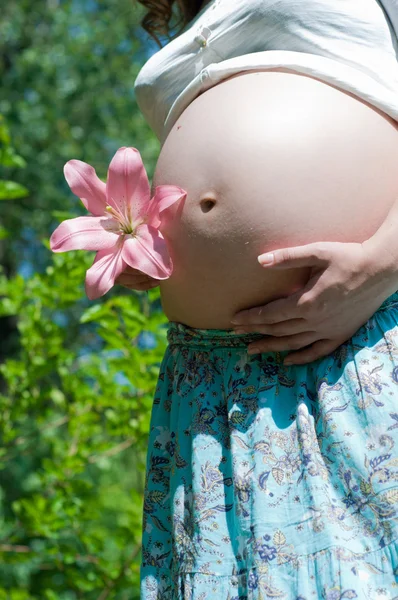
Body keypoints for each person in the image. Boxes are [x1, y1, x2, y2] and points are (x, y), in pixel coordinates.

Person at [117, 0, 398, 597]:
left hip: (356, 344)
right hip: (208, 392)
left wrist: (380, 265)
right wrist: (153, 247)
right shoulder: (195, 17)